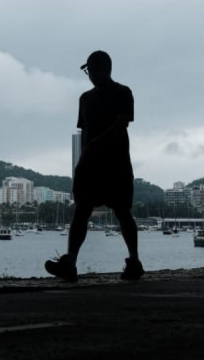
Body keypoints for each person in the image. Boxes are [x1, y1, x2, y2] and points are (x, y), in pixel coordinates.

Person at [45, 50, 144, 282]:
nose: (89, 75)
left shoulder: (123, 92)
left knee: (122, 212)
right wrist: (82, 160)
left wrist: (97, 143)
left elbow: (122, 123)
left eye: (90, 70)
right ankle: (70, 261)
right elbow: (84, 132)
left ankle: (134, 260)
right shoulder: (85, 99)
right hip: (90, 165)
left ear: (102, 69)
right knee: (82, 211)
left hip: (116, 163)